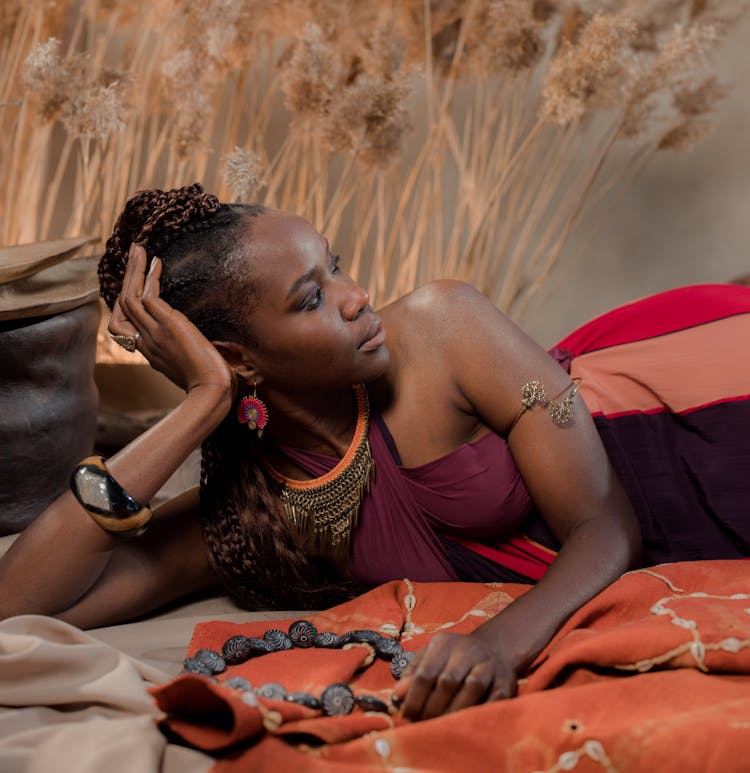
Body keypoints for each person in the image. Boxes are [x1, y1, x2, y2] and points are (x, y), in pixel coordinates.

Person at [0, 183, 749, 723]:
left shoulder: (443, 325)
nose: (356, 295)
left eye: (337, 264)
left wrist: (496, 643)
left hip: (691, 416)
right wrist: (200, 404)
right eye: (310, 297)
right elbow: (18, 601)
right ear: (238, 358)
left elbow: (607, 525)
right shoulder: (254, 516)